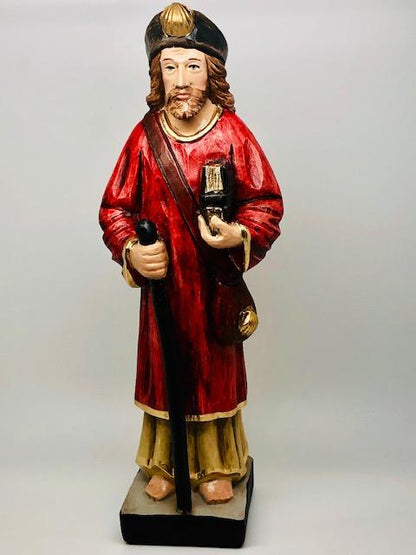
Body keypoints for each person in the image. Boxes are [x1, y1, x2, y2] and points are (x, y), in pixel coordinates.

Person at [99, 3, 283, 505]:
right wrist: (132, 251)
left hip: (210, 285)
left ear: (212, 72)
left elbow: (266, 202)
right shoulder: (145, 138)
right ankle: (165, 460)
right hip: (164, 286)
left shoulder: (232, 134)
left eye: (193, 66)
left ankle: (216, 463)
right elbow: (115, 207)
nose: (181, 80)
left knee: (212, 372)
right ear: (156, 74)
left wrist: (239, 234)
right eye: (170, 66)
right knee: (165, 372)